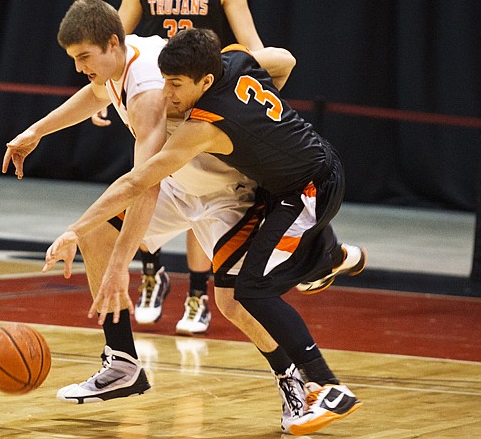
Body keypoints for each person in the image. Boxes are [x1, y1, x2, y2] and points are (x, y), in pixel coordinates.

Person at [4, 0, 307, 432]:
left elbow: (143, 184)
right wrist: (36, 131)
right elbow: (93, 95)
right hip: (182, 186)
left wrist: (118, 266)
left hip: (225, 192)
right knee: (95, 235)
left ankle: (293, 379)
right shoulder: (120, 61)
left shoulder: (147, 89)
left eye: (84, 57)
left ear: (112, 43)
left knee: (234, 304)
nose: (79, 67)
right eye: (73, 59)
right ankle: (122, 362)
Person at [44, 28, 366, 435]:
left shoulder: (205, 126)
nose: (166, 93)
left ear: (206, 82)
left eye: (176, 85)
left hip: (304, 186)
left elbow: (135, 184)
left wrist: (72, 230)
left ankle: (329, 381)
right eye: (164, 81)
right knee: (247, 289)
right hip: (292, 178)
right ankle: (122, 361)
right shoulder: (234, 59)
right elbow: (284, 59)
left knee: (247, 294)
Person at [116, 0, 265, 335]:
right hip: (157, 100)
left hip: (203, 103)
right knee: (147, 185)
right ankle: (152, 274)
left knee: (197, 195)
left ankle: (197, 292)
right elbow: (113, 46)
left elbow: (253, 47)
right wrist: (103, 96)